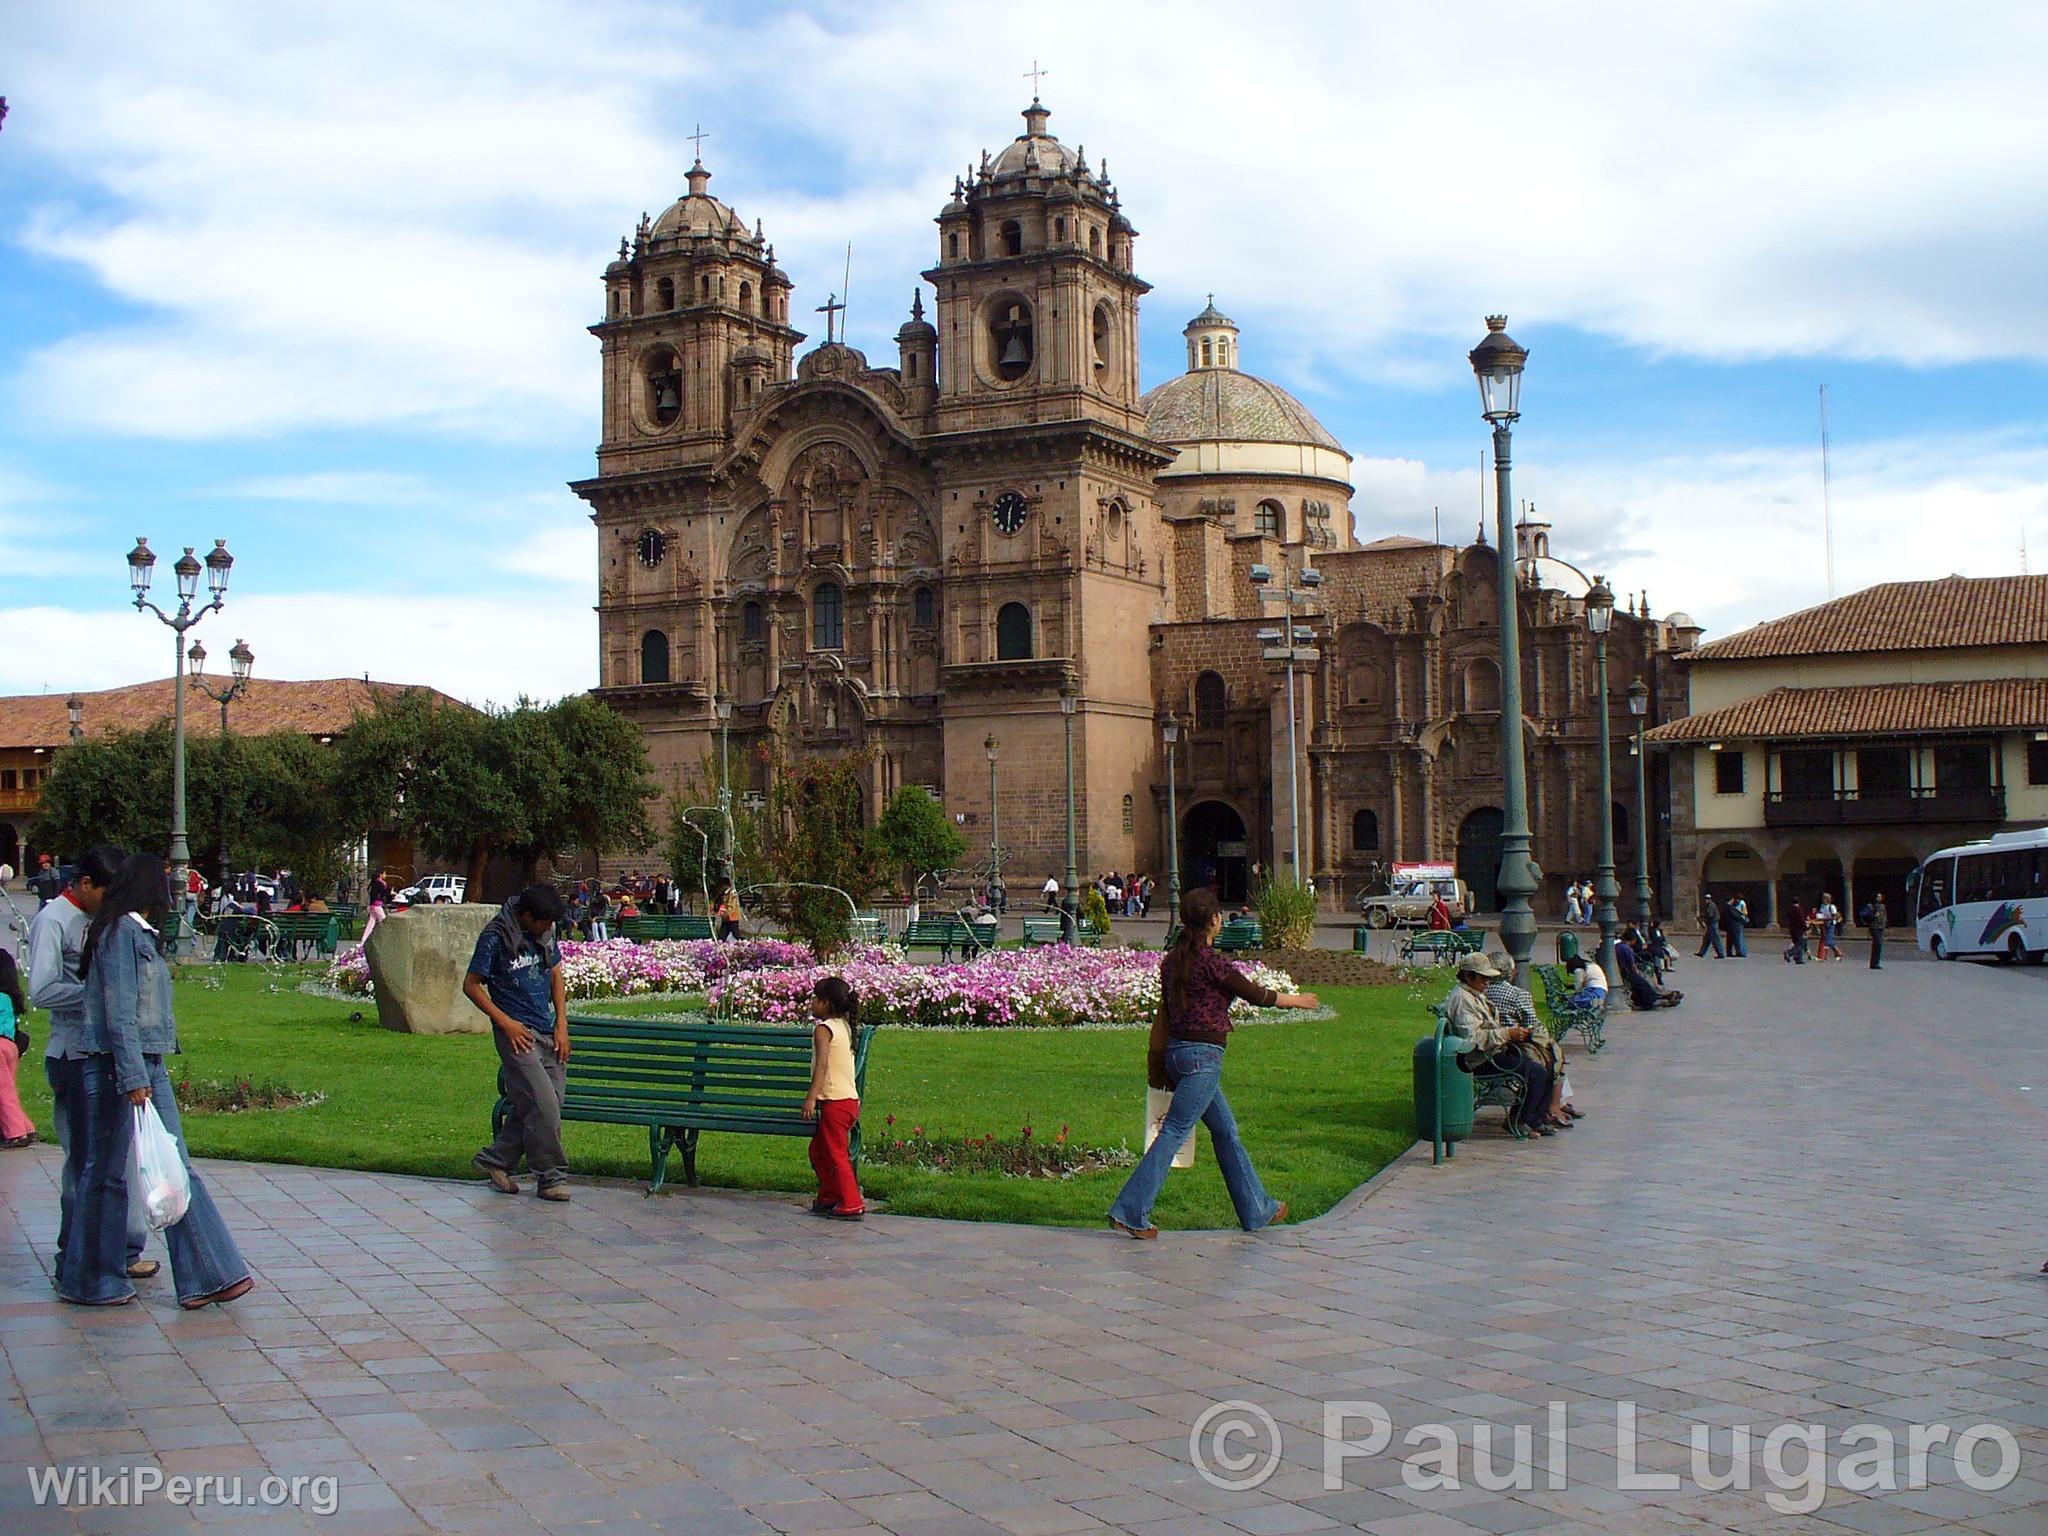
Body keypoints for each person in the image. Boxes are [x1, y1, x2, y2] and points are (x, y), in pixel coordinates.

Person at [57, 851, 254, 1309]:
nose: (174, 886)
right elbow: (119, 1012)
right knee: (105, 1174)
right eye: (166, 880)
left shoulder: (134, 932)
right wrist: (131, 1075)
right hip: (115, 1065)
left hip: (145, 1063)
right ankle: (90, 1279)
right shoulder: (119, 933)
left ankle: (209, 1273)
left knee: (175, 1166)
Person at [1107, 888, 1319, 1238]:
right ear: (1216, 920)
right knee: (1174, 1131)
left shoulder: (1172, 961)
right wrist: (1295, 999)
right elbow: (1255, 994)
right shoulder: (1213, 962)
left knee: (1226, 1131)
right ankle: (1130, 1210)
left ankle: (1256, 1209)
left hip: (1178, 1055)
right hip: (1202, 1060)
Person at [30, 846, 151, 1279]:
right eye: (107, 891)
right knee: (83, 1160)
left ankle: (122, 1249)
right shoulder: (53, 920)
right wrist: (98, 996)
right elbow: (41, 990)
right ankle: (76, 1253)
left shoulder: (108, 920)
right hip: (72, 1054)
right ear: (84, 884)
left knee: (118, 1159)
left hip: (105, 1054)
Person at [468, 885, 573, 1202]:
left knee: (547, 1104)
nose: (549, 929)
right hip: (517, 1034)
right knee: (543, 1105)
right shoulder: (495, 937)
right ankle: (550, 1177)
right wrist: (506, 1024)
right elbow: (470, 986)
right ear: (526, 916)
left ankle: (494, 1160)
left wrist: (562, 1025)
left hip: (546, 1031)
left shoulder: (544, 933)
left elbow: (555, 974)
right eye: (543, 923)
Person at [1443, 952, 1556, 1137]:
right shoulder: (1463, 999)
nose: (1487, 982)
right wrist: (1507, 1034)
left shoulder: (1473, 994)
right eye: (1483, 977)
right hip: (1479, 1059)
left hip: (1492, 1051)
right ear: (1468, 975)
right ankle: (1520, 1120)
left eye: (1489, 977)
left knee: (1547, 1058)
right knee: (1536, 1071)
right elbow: (1472, 1039)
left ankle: (1535, 1118)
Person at [803, 976, 866, 1221]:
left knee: (835, 1153)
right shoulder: (843, 1025)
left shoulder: (824, 1029)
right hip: (846, 1101)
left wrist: (811, 1098)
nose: (811, 1002)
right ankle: (829, 1195)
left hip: (835, 1102)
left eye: (816, 998)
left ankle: (851, 1202)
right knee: (820, 1151)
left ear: (826, 1003)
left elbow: (822, 1067)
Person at [1484, 969, 1580, 1129]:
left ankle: (1552, 1107)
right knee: (1549, 1059)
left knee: (1547, 1057)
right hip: (1505, 1048)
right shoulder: (1516, 994)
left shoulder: (1482, 995)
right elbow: (1533, 1025)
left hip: (1500, 1047)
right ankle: (1546, 1110)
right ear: (1512, 973)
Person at [0, 949, 36, 1147]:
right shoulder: (8, 998)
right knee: (8, 1090)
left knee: (3, 1093)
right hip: (10, 1046)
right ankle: (26, 1127)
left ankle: (15, 1133)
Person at [362, 869, 394, 945]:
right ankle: (387, 939)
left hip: (371, 905)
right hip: (377, 906)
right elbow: (383, 893)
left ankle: (364, 940)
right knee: (384, 922)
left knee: (371, 923)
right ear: (381, 874)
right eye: (385, 873)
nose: (385, 875)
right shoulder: (380, 883)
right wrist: (390, 892)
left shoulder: (373, 882)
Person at [1814, 893, 1842, 962]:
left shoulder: (1832, 907)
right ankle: (1834, 954)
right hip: (1824, 925)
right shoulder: (1822, 906)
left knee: (1828, 941)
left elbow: (1834, 916)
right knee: (1826, 940)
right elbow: (1821, 914)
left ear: (1828, 899)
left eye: (1824, 898)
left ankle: (1838, 952)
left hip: (1831, 924)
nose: (1823, 900)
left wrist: (1829, 920)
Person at [1864, 894, 1888, 969]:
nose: (1879, 898)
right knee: (1877, 944)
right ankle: (1874, 963)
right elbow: (1865, 916)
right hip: (1874, 927)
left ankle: (1875, 962)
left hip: (1880, 927)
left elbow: (1884, 916)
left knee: (1878, 946)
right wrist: (1874, 916)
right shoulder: (1870, 906)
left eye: (1880, 897)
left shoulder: (1882, 906)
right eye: (1878, 897)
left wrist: (1885, 926)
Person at [1697, 893, 1725, 958]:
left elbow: (1710, 915)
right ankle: (1702, 952)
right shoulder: (1708, 905)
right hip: (1710, 924)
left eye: (1707, 899)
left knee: (1715, 939)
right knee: (1706, 939)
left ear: (1710, 899)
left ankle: (1720, 954)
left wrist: (1702, 916)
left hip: (1712, 924)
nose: (1706, 900)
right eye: (1705, 898)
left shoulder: (1711, 906)